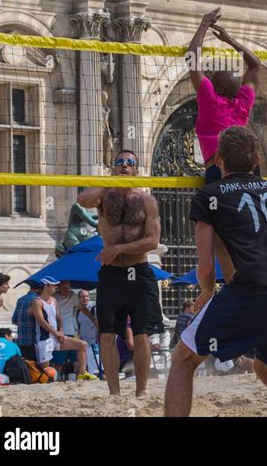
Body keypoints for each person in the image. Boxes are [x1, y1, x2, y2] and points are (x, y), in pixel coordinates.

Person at [164, 125, 267, 417]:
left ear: (218, 158)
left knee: (183, 358)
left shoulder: (209, 196)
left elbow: (206, 266)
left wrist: (208, 293)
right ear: (257, 159)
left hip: (253, 288)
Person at [77, 149, 164, 397]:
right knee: (107, 335)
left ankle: (142, 390)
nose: (124, 166)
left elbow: (153, 240)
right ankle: (114, 393)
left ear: (136, 169)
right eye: (119, 162)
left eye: (129, 163)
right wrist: (107, 183)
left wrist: (118, 248)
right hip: (112, 274)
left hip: (139, 272)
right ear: (113, 167)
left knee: (141, 335)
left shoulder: (146, 200)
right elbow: (82, 200)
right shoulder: (105, 198)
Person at [188, 8, 261, 184]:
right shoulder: (243, 102)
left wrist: (204, 24)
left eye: (212, 78)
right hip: (248, 171)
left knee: (218, 210)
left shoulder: (210, 98)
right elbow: (255, 65)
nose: (209, 78)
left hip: (219, 171)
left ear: (218, 88)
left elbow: (192, 57)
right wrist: (229, 39)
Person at [30, 277, 96, 380]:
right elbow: (41, 321)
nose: (55, 287)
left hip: (58, 336)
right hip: (45, 338)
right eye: (54, 285)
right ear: (47, 286)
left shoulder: (54, 300)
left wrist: (60, 331)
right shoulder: (37, 301)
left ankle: (82, 375)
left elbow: (59, 317)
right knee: (46, 371)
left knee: (83, 345)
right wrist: (56, 332)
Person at [53, 281, 95, 374]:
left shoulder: (73, 296)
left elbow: (82, 308)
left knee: (76, 359)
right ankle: (54, 380)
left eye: (67, 287)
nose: (66, 289)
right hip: (59, 333)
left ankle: (80, 377)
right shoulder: (54, 297)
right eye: (64, 286)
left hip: (71, 332)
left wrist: (93, 319)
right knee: (58, 361)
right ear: (59, 286)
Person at [11, 285, 38, 361]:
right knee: (34, 367)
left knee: (24, 365)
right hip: (33, 341)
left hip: (21, 340)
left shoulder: (20, 299)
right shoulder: (37, 300)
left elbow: (14, 320)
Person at [76, 290, 99, 376]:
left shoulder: (94, 308)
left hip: (94, 343)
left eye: (87, 296)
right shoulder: (78, 311)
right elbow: (79, 326)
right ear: (79, 298)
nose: (85, 298)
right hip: (84, 344)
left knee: (95, 368)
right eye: (83, 296)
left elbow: (98, 324)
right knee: (88, 367)